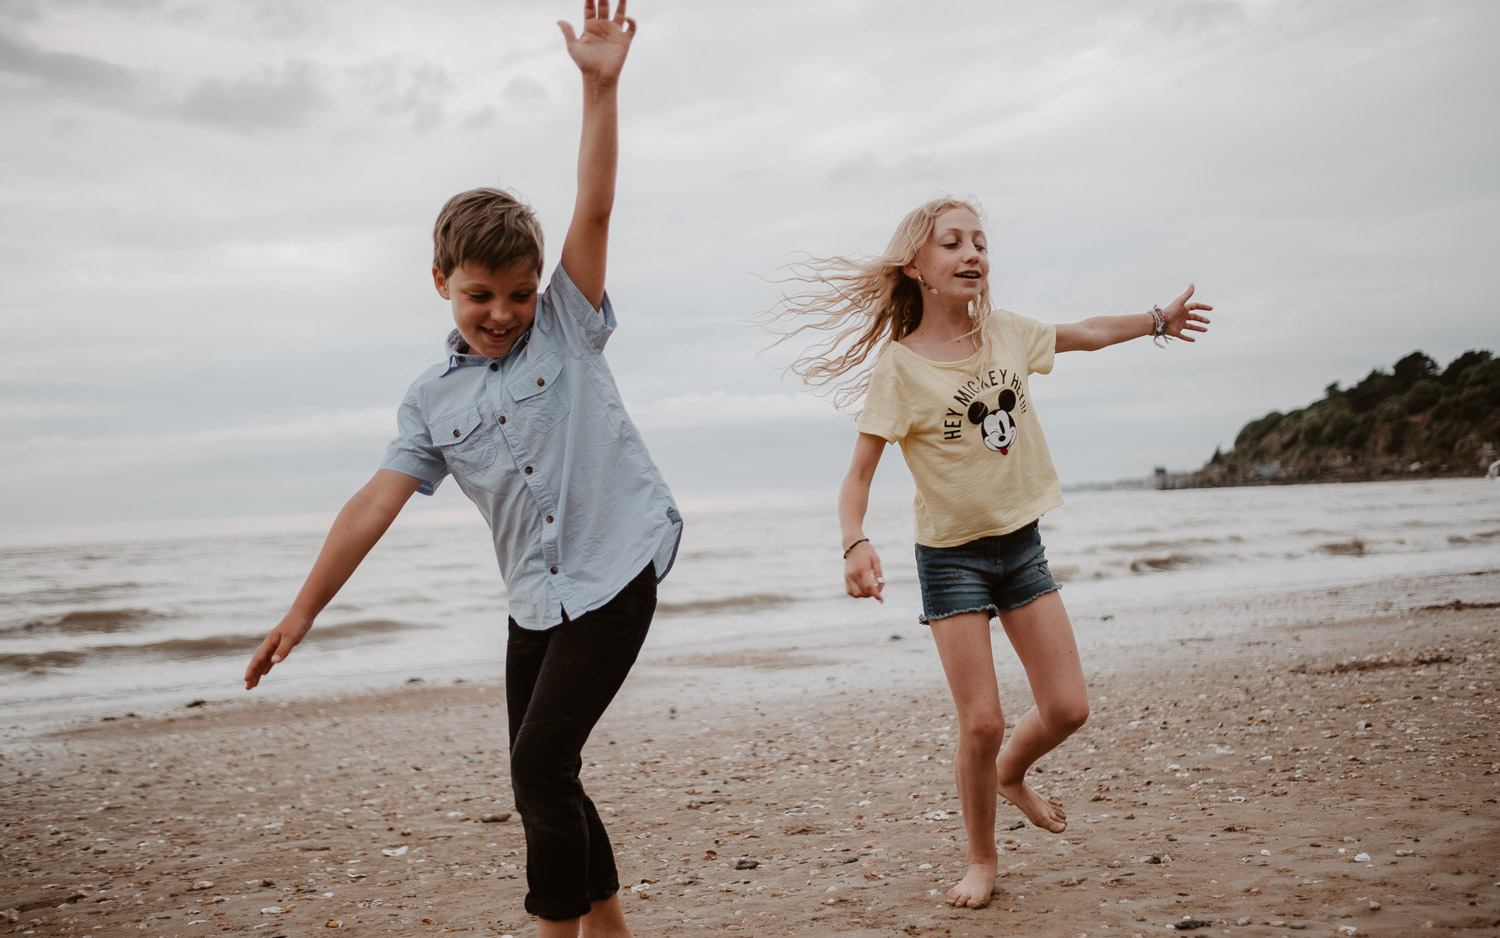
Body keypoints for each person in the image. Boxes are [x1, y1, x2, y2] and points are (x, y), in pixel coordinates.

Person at [243, 4, 680, 935]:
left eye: (517, 293)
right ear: (440, 281)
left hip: (617, 570)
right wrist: (301, 611)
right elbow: (374, 502)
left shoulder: (565, 321)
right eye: (481, 294)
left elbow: (594, 206)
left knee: (538, 770)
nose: (503, 311)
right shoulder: (429, 401)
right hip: (535, 598)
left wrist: (600, 88)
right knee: (545, 768)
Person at [772, 197, 1211, 909]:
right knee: (980, 719)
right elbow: (856, 479)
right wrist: (854, 542)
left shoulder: (1007, 334)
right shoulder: (901, 368)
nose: (972, 253)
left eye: (979, 241)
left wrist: (1156, 321)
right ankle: (982, 857)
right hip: (951, 560)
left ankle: (1011, 774)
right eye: (953, 243)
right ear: (917, 267)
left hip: (1021, 547)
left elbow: (1091, 333)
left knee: (1068, 709)